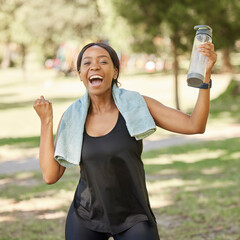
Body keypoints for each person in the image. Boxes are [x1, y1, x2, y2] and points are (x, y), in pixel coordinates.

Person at [33, 42, 217, 240]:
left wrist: (205, 77)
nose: (94, 66)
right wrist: (46, 122)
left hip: (133, 215)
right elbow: (50, 176)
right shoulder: (73, 117)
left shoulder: (137, 105)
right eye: (87, 63)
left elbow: (194, 125)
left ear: (115, 72)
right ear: (80, 74)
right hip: (86, 216)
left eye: (103, 61)